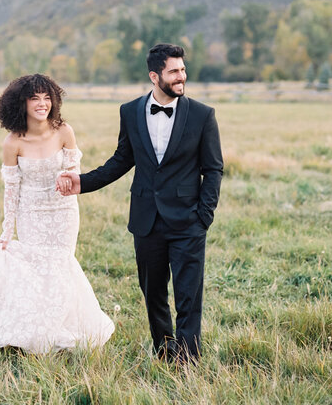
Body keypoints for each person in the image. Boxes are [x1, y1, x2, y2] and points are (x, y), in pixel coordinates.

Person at [57, 43, 223, 363]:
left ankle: (188, 360)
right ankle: (164, 351)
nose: (181, 76)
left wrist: (204, 215)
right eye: (174, 71)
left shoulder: (203, 115)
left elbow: (213, 168)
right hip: (146, 219)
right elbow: (122, 160)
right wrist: (83, 182)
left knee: (188, 295)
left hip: (189, 220)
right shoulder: (130, 111)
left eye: (183, 70)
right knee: (153, 292)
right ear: (154, 75)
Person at [0, 73, 114, 354]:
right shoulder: (12, 143)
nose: (42, 104)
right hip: (31, 214)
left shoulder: (65, 131)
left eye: (46, 98)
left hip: (63, 211)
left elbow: (74, 170)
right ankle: (31, 333)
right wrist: (7, 231)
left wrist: (68, 176)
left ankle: (57, 331)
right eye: (34, 98)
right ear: (21, 104)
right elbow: (11, 190)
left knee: (60, 267)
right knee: (35, 273)